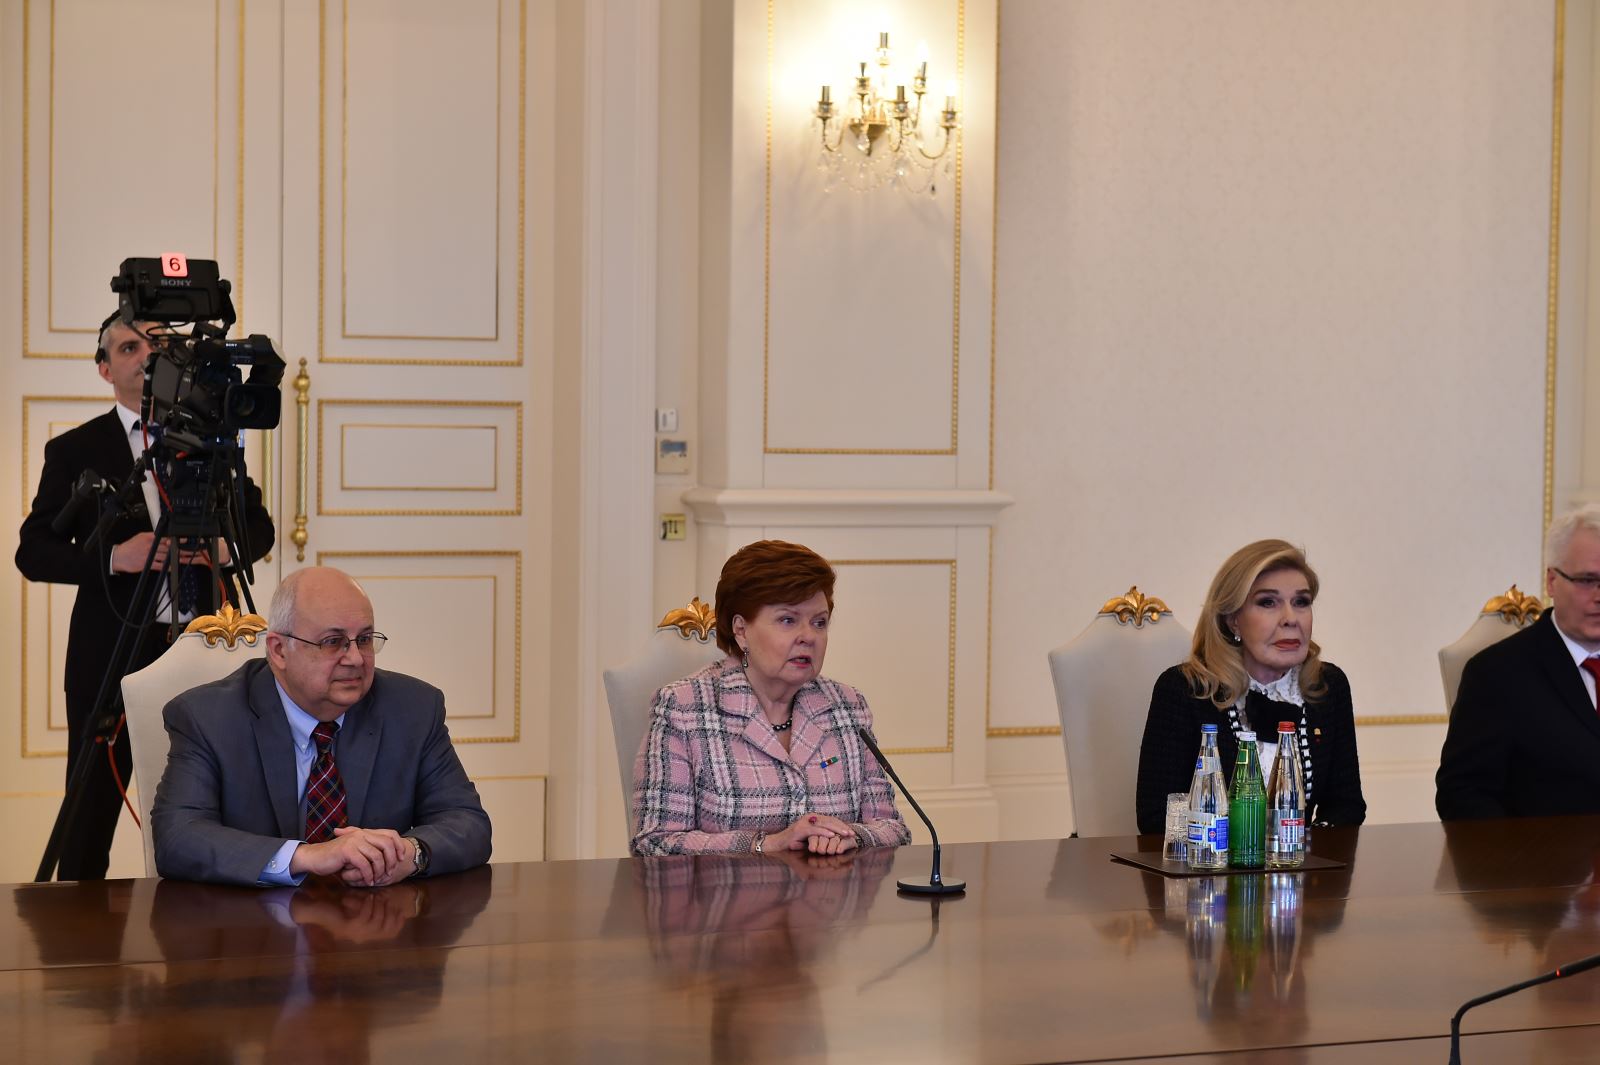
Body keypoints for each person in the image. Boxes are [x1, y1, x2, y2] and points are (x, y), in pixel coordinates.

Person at [15, 313, 275, 880]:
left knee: (221, 801)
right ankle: (79, 953)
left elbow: (260, 527)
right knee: (89, 816)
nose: (147, 354)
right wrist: (113, 556)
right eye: (129, 346)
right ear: (106, 369)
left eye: (158, 343)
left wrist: (230, 549)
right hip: (111, 651)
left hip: (209, 646)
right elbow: (32, 552)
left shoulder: (214, 441)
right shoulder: (75, 449)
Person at [151, 566, 491, 886]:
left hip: (376, 930)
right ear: (279, 650)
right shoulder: (208, 718)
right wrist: (305, 856)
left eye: (365, 639)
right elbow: (178, 837)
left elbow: (468, 822)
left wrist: (411, 853)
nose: (356, 658)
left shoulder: (413, 708)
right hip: (253, 933)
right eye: (333, 642)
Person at [630, 539, 911, 856]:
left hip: (829, 903)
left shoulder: (846, 706)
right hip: (724, 903)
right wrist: (766, 844)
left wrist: (853, 836)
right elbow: (654, 843)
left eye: (819, 622)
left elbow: (892, 828)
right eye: (788, 620)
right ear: (741, 630)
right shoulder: (684, 709)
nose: (808, 636)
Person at [1135, 539, 1366, 835]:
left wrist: (1300, 853)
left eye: (1301, 602)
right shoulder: (1185, 690)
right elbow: (1157, 819)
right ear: (1233, 619)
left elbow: (1347, 807)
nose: (1291, 619)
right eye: (1268, 602)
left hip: (1300, 873)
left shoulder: (1327, 686)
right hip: (1206, 874)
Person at [1437, 504, 1600, 820]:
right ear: (1552, 581)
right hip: (1545, 863)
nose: (1599, 595)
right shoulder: (1496, 675)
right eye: (1586, 580)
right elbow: (1461, 796)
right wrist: (1527, 861)